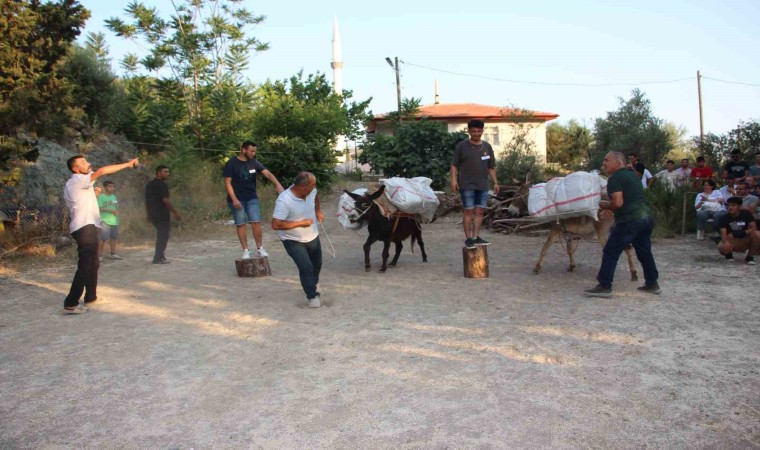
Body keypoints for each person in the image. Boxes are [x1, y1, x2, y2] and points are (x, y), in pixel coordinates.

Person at [63, 155, 138, 314]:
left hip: (84, 227)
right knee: (86, 264)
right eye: (83, 163)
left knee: (93, 262)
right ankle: (71, 303)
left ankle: (90, 296)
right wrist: (128, 164)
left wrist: (94, 195)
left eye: (86, 160)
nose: (88, 163)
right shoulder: (78, 180)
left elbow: (80, 202)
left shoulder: (75, 183)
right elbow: (103, 171)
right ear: (75, 169)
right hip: (85, 227)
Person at [584, 151, 659, 298]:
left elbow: (618, 202)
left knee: (610, 251)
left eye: (607, 160)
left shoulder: (614, 179)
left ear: (617, 163)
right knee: (644, 251)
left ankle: (604, 285)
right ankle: (652, 283)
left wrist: (604, 205)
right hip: (646, 218)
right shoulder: (633, 175)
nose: (604, 163)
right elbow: (629, 198)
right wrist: (612, 211)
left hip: (630, 221)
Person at [271, 172, 325, 308]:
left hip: (312, 236)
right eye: (312, 186)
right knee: (305, 267)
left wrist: (318, 211)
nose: (314, 188)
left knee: (317, 264)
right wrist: (300, 223)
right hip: (292, 239)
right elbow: (276, 224)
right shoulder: (284, 200)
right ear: (302, 187)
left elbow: (316, 197)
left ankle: (312, 283)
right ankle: (312, 296)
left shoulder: (311, 192)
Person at [223, 140, 284, 259]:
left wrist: (277, 184)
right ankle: (245, 250)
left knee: (256, 222)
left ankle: (260, 248)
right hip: (237, 199)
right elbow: (227, 183)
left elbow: (267, 173)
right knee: (241, 224)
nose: (253, 153)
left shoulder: (254, 162)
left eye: (255, 151)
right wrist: (234, 199)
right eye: (251, 151)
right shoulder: (232, 163)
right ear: (243, 150)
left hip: (251, 197)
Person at [450, 119, 500, 249]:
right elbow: (454, 165)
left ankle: (476, 237)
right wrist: (454, 180)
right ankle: (468, 239)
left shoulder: (487, 147)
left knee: (479, 211)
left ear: (482, 131)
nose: (476, 133)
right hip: (466, 185)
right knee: (468, 211)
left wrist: (495, 182)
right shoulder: (461, 146)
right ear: (469, 131)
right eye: (473, 131)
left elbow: (491, 167)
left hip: (482, 185)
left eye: (479, 131)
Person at [145, 165, 181, 264]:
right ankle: (158, 258)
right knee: (163, 236)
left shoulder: (149, 185)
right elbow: (165, 200)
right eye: (165, 172)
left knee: (161, 235)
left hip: (153, 213)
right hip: (161, 213)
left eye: (168, 172)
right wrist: (175, 212)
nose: (167, 174)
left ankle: (161, 255)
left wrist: (148, 214)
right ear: (159, 172)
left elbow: (147, 201)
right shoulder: (162, 185)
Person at [717, 196, 759, 265]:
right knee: (721, 247)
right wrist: (725, 242)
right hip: (732, 240)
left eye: (733, 205)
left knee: (757, 234)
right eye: (729, 205)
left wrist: (740, 233)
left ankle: (750, 256)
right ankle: (728, 254)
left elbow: (754, 228)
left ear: (739, 206)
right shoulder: (723, 218)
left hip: (745, 239)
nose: (730, 207)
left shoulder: (746, 214)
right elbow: (723, 234)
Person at [97, 180, 122, 260]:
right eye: (110, 186)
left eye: (113, 187)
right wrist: (110, 210)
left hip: (114, 220)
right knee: (103, 238)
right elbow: (99, 208)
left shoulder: (114, 197)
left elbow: (116, 207)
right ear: (105, 187)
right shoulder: (101, 197)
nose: (112, 188)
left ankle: (113, 254)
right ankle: (99, 255)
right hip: (105, 220)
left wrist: (117, 211)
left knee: (114, 237)